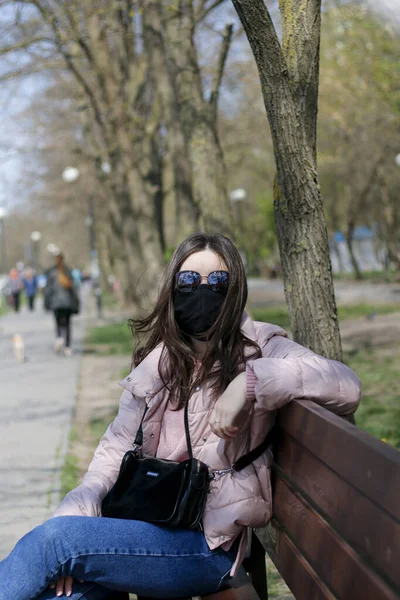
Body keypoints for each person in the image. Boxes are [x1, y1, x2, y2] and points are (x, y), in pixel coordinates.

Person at [0, 233, 361, 600]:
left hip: (206, 547)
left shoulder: (261, 348)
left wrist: (248, 383)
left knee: (56, 543)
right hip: (148, 526)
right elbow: (114, 449)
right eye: (189, 280)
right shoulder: (159, 362)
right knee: (68, 591)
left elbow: (345, 384)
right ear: (173, 288)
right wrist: (78, 510)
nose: (202, 290)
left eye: (217, 281)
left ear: (235, 288)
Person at [44, 253, 79, 357]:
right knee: (67, 324)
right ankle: (68, 347)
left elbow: (48, 290)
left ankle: (59, 338)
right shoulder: (68, 271)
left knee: (58, 322)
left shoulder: (51, 273)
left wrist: (47, 303)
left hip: (56, 303)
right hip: (67, 303)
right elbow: (74, 288)